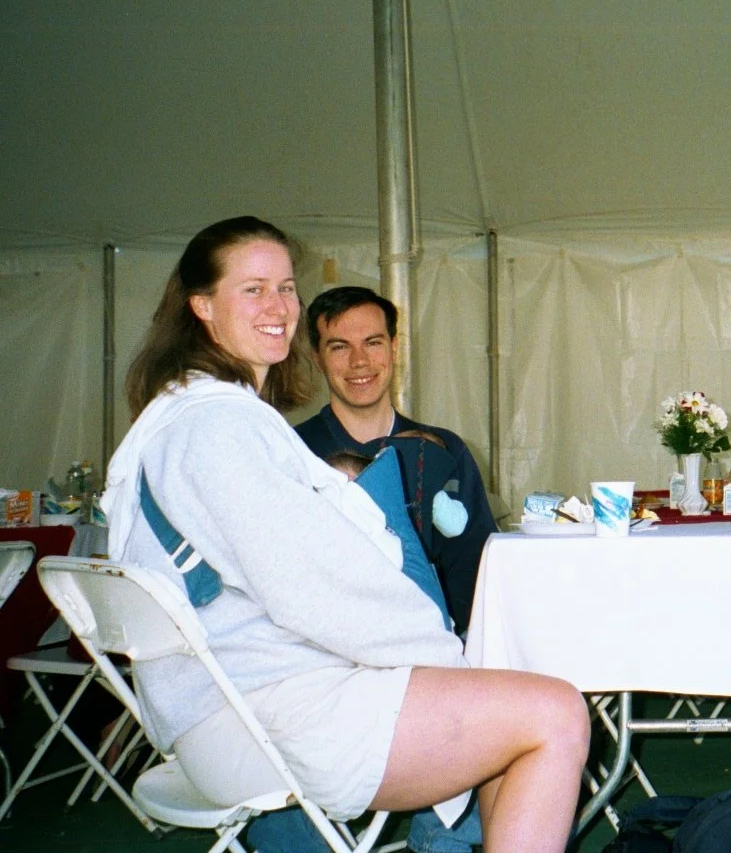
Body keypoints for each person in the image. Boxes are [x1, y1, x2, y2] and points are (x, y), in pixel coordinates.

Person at [101, 217, 588, 853]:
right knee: (555, 713)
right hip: (257, 718)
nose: (278, 307)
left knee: (504, 713)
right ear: (202, 305)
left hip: (225, 704)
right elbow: (313, 590)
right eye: (253, 290)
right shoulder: (217, 428)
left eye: (285, 287)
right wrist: (441, 652)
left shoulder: (185, 416)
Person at [295, 286, 495, 636]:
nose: (359, 361)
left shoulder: (443, 451)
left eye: (373, 342)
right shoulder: (293, 451)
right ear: (316, 356)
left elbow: (477, 565)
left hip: (437, 647)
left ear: (394, 346)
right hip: (330, 652)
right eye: (340, 346)